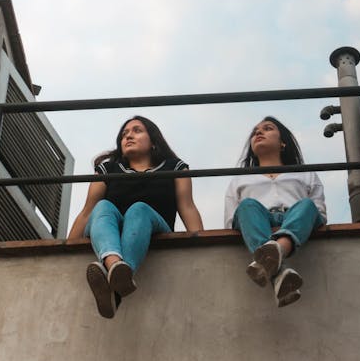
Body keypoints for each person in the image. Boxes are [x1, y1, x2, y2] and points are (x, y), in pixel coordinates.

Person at [69, 115, 203, 318]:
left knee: (138, 208)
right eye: (124, 134)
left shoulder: (174, 167)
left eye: (137, 131)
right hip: (108, 228)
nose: (129, 136)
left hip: (154, 228)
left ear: (153, 141)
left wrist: (204, 246)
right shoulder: (109, 168)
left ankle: (118, 277)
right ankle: (116, 268)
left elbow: (187, 207)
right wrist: (63, 250)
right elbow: (87, 211)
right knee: (103, 206)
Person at [224, 116, 326, 307]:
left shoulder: (305, 173)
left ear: (283, 143)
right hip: (256, 221)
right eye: (255, 132)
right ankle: (279, 269)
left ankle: (277, 252)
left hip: (294, 218)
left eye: (268, 128)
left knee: (306, 205)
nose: (258, 133)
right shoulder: (239, 180)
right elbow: (231, 221)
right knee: (246, 205)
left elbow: (318, 212)